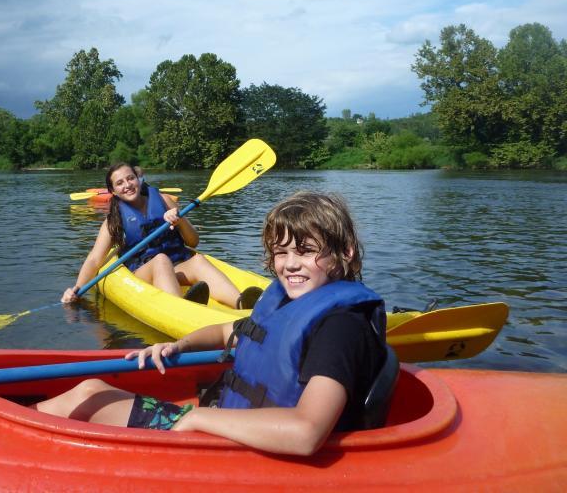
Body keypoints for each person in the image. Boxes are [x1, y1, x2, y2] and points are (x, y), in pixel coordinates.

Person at [41, 192, 389, 456]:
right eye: (282, 253)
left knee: (87, 401)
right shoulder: (289, 302)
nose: (290, 265)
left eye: (306, 251)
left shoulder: (341, 328)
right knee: (90, 389)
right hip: (227, 423)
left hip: (239, 450)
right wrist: (180, 345)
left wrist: (196, 419)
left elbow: (306, 432)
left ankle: (8, 444)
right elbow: (229, 332)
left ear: (346, 253)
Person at [61, 162, 250, 308]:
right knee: (160, 260)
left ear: (138, 179)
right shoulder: (113, 221)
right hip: (145, 271)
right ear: (113, 191)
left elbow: (194, 241)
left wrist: (180, 220)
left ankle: (242, 303)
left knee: (198, 260)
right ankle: (183, 309)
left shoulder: (164, 200)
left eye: (130, 178)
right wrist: (77, 289)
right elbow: (95, 259)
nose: (127, 185)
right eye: (120, 183)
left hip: (176, 267)